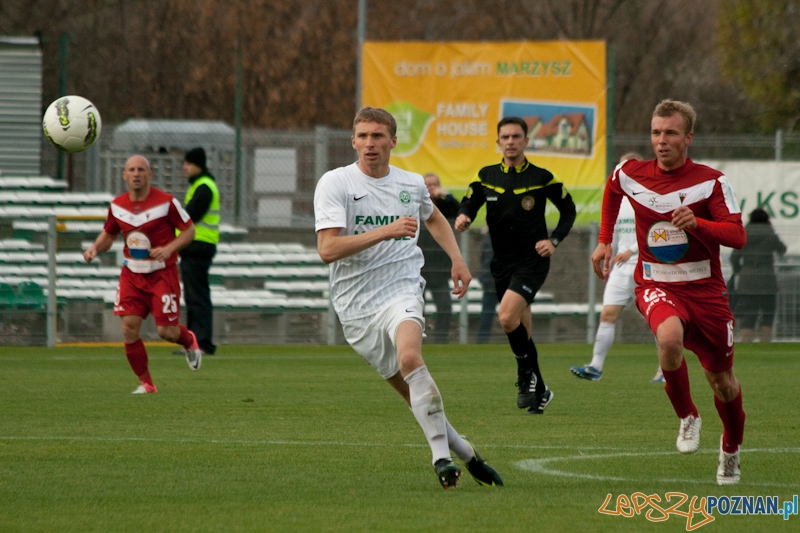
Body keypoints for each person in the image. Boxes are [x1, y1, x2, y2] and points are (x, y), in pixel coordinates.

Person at [314, 107, 503, 489]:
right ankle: (467, 453)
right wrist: (385, 231)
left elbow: (433, 217)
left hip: (402, 286)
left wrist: (456, 258)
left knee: (410, 357)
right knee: (412, 393)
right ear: (353, 141)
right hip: (356, 306)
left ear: (393, 141)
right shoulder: (335, 184)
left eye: (378, 136)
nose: (371, 143)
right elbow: (328, 249)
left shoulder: (410, 183)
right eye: (364, 136)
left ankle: (442, 459)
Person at [590, 99, 747, 485]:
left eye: (671, 133)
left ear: (688, 138)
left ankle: (730, 450)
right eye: (656, 133)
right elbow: (612, 191)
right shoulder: (631, 173)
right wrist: (604, 240)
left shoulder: (711, 181)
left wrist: (700, 224)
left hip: (706, 293)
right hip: (657, 284)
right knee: (669, 336)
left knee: (723, 383)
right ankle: (688, 416)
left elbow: (738, 236)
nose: (661, 141)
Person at [456, 116, 576, 415]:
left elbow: (568, 210)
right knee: (520, 329)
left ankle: (526, 376)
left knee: (506, 317)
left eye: (516, 137)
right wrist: (463, 216)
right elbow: (469, 201)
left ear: (525, 140)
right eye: (505, 137)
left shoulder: (542, 176)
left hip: (532, 262)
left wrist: (554, 241)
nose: (510, 142)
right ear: (498, 142)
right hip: (500, 263)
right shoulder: (486, 176)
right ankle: (541, 389)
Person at [84, 155, 203, 394]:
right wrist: (95, 248)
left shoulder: (167, 203)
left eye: (141, 169)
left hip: (162, 274)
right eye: (131, 170)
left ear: (149, 175)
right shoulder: (117, 206)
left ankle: (189, 340)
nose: (136, 173)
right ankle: (146, 383)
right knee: (129, 327)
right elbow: (109, 234)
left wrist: (169, 248)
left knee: (165, 332)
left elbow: (189, 230)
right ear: (124, 175)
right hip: (131, 275)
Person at [570, 152, 665, 383]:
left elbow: (658, 230)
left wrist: (631, 250)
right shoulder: (617, 201)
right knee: (607, 314)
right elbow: (610, 234)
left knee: (660, 321)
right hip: (622, 268)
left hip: (648, 267)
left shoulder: (651, 198)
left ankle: (665, 371)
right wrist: (606, 259)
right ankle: (595, 367)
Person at [177, 147, 220, 356]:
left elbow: (188, 217)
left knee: (197, 297)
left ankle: (201, 343)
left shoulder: (204, 187)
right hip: (196, 248)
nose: (184, 167)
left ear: (198, 165)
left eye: (188, 163)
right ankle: (194, 342)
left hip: (198, 247)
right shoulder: (200, 185)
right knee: (194, 297)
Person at [729, 207, 787, 343]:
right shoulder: (770, 233)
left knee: (748, 316)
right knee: (768, 315)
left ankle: (746, 345)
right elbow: (782, 249)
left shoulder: (744, 234)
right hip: (768, 280)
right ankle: (766, 345)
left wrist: (740, 270)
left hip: (747, 281)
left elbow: (733, 258)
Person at [418, 173, 461, 343]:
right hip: (419, 268)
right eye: (428, 185)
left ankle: (441, 341)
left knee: (444, 308)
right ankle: (416, 341)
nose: (431, 188)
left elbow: (459, 214)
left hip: (440, 270)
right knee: (417, 309)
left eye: (435, 184)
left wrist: (447, 196)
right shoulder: (417, 206)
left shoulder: (445, 206)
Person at [476, 229, 497, 344]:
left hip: (491, 280)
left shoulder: (488, 235)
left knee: (486, 318)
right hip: (495, 281)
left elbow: (484, 258)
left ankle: (481, 343)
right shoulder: (491, 236)